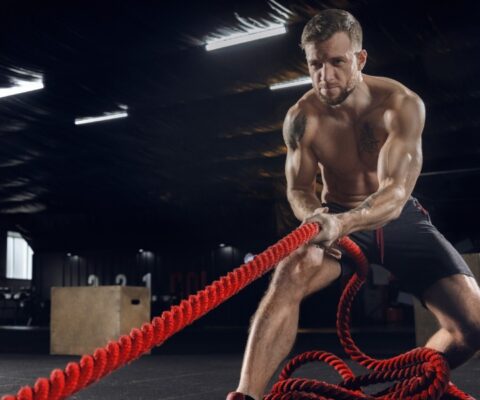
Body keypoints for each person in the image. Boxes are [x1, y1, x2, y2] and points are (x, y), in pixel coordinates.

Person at [226, 9, 480, 400]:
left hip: (398, 219)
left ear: (359, 59)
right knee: (290, 272)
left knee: (474, 326)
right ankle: (245, 395)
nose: (325, 76)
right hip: (333, 216)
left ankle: (410, 387)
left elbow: (395, 193)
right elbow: (297, 189)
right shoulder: (301, 117)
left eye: (336, 62)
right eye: (315, 64)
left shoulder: (400, 104)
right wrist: (314, 217)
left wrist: (344, 224)